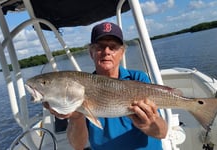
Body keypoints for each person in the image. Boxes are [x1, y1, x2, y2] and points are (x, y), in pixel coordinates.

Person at [44, 22, 168, 150]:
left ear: (122, 52)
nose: (106, 52)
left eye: (113, 47)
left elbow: (162, 133)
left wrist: (147, 124)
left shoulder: (138, 79)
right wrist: (77, 117)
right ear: (91, 52)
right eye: (100, 47)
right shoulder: (78, 88)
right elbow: (78, 145)